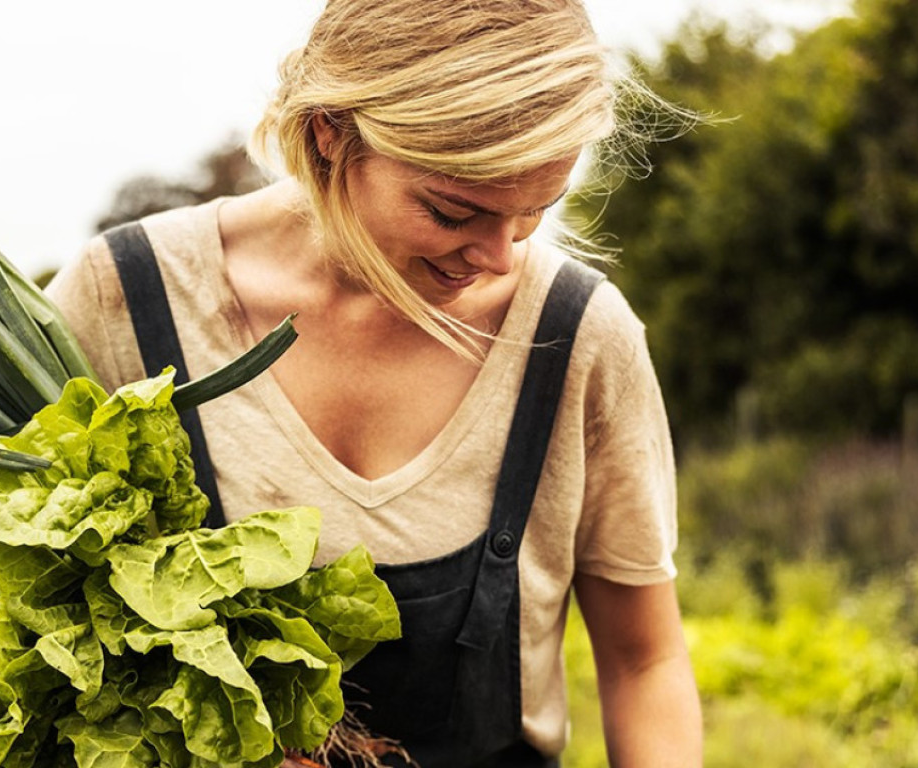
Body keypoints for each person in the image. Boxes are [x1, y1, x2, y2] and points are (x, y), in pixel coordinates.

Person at [46, 0, 703, 765]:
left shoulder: (578, 336)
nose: (498, 256)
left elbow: (643, 661)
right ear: (331, 130)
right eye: (454, 211)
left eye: (533, 213)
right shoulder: (124, 302)